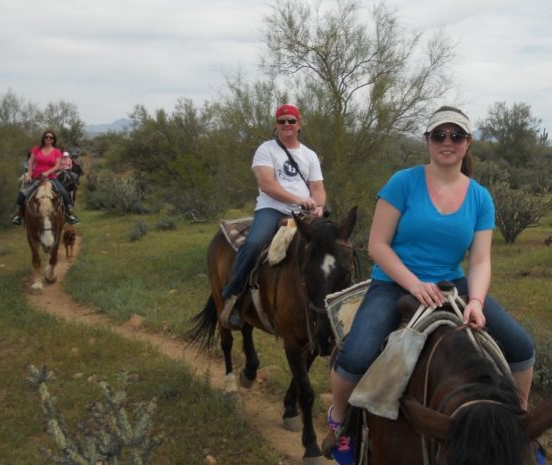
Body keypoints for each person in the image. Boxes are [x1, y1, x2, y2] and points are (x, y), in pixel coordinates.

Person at [326, 106, 535, 465]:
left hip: (453, 284)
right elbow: (378, 245)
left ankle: (517, 426)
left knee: (520, 346)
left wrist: (477, 301)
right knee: (358, 355)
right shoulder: (403, 183)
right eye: (439, 135)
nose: (447, 142)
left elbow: (481, 260)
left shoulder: (480, 197)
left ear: (468, 143)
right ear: (428, 142)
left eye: (456, 135)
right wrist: (413, 282)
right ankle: (339, 420)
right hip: (394, 281)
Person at [219, 104, 327, 329]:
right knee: (255, 243)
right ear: (276, 125)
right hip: (272, 209)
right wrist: (297, 200)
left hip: (304, 214)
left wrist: (318, 206)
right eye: (282, 121)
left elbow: (317, 187)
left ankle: (326, 299)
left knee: (332, 246)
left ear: (299, 124)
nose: (287, 125)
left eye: (291, 121)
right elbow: (267, 185)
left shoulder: (309, 155)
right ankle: (233, 295)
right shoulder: (266, 150)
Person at [12, 130, 79, 225]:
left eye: (51, 137)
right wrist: (29, 174)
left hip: (51, 177)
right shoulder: (36, 149)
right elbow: (31, 162)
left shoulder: (56, 151)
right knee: (23, 192)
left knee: (64, 193)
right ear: (43, 138)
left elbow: (57, 165)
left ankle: (69, 213)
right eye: (46, 137)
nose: (48, 139)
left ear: (53, 139)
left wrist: (48, 172)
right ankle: (18, 215)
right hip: (36, 177)